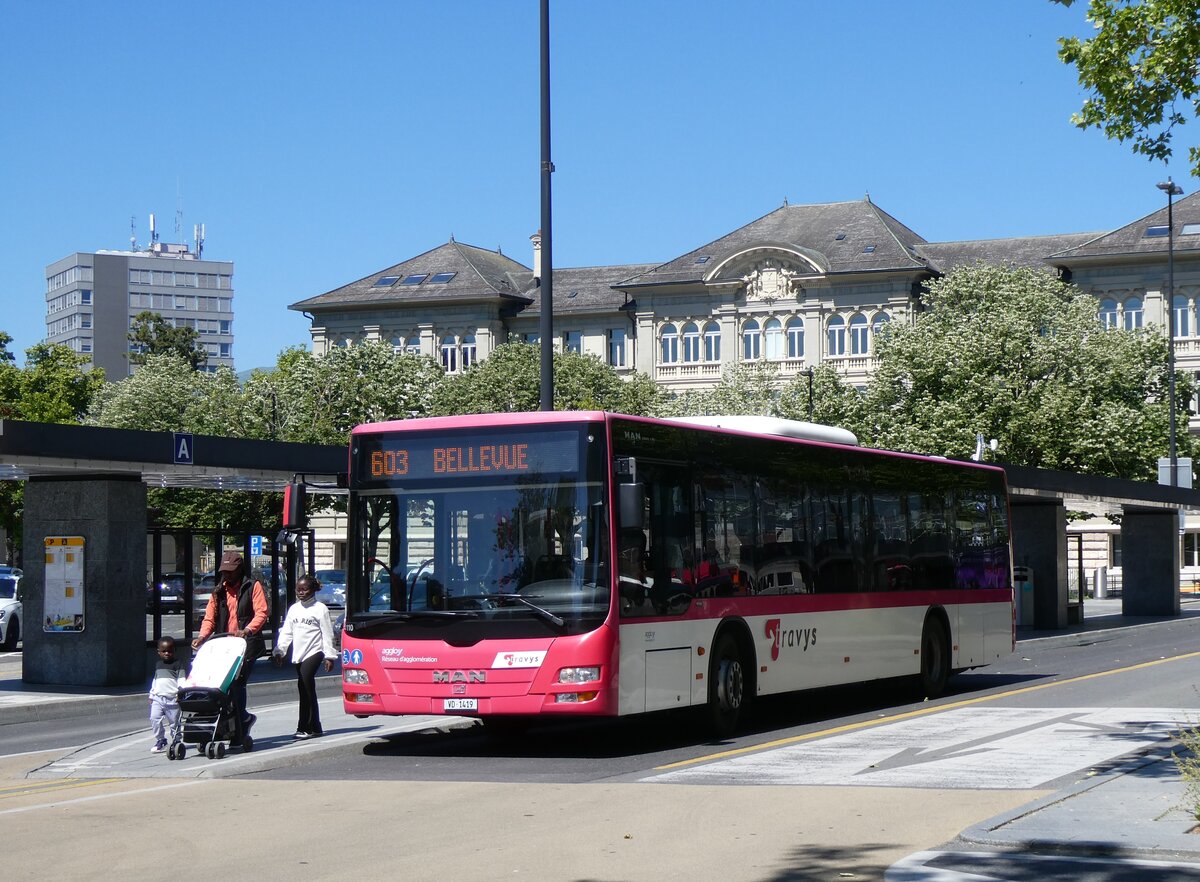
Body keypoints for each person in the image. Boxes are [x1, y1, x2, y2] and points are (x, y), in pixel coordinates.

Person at [193, 550, 268, 739]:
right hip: (224, 645)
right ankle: (226, 724)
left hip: (245, 645)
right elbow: (210, 618)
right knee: (220, 685)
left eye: (231, 571)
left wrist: (248, 630)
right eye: (224, 571)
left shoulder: (252, 586)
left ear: (239, 569)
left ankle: (241, 722)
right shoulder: (218, 591)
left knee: (237, 683)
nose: (227, 575)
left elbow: (261, 613)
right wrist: (202, 637)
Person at [272, 574, 337, 739]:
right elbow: (286, 631)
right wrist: (280, 651)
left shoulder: (320, 608)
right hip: (299, 653)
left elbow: (327, 634)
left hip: (315, 651)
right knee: (305, 687)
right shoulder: (294, 609)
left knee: (305, 682)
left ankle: (304, 727)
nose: (301, 592)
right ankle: (316, 726)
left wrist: (329, 656)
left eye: (305, 589)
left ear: (313, 590)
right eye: (298, 589)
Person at [148, 636, 185, 753]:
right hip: (158, 698)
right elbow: (156, 680)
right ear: (158, 652)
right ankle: (161, 740)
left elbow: (182, 679)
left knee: (174, 723)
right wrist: (151, 694)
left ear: (174, 651)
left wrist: (181, 692)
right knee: (154, 718)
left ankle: (176, 741)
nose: (167, 653)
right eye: (164, 651)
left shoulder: (178, 664)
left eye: (170, 651)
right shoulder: (158, 664)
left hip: (173, 699)